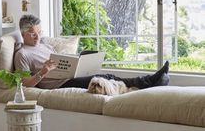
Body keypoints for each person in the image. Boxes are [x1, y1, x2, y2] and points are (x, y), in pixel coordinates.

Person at [14, 14, 169, 91]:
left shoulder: (44, 46)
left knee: (92, 60)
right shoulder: (22, 54)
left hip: (67, 75)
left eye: (39, 32)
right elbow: (25, 84)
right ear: (23, 33)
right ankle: (149, 82)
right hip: (59, 84)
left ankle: (149, 81)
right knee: (104, 77)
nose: (38, 36)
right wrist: (43, 72)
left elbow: (59, 59)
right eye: (33, 33)